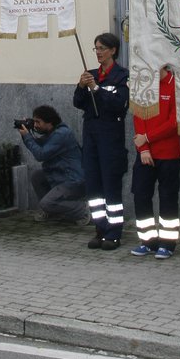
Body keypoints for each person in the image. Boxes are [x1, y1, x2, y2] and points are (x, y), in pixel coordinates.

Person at [73, 31, 129, 250]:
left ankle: (114, 232)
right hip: (91, 135)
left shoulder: (122, 76)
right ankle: (100, 228)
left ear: (113, 50)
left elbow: (119, 104)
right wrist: (81, 86)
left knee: (110, 185)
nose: (98, 53)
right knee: (94, 187)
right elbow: (78, 103)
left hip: (111, 136)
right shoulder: (92, 73)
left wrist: (96, 89)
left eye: (102, 49)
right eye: (95, 48)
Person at [130, 65, 180, 258]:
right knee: (141, 195)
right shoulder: (143, 82)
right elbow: (138, 115)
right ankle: (147, 240)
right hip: (145, 153)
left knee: (168, 198)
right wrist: (143, 148)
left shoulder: (175, 85)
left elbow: (174, 121)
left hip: (168, 153)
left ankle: (167, 244)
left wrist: (148, 138)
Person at [17, 106, 88, 223]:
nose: (35, 125)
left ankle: (83, 210)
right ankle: (52, 212)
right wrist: (26, 133)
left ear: (49, 122)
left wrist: (27, 137)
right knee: (37, 176)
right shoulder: (52, 132)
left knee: (46, 203)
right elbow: (39, 145)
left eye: (38, 122)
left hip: (73, 180)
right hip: (61, 175)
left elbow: (41, 154)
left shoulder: (61, 134)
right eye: (34, 121)